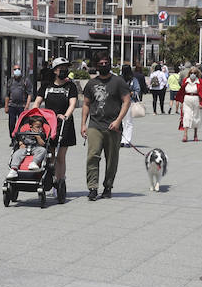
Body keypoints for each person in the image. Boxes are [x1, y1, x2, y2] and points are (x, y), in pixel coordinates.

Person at [28, 57, 79, 203]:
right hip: (48, 124)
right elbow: (37, 102)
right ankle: (49, 177)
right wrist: (35, 114)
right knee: (49, 155)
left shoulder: (71, 86)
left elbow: (72, 104)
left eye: (65, 68)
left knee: (60, 156)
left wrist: (65, 116)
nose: (64, 70)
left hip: (64, 124)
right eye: (61, 68)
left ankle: (60, 181)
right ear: (55, 70)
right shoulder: (46, 86)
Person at [81, 55, 131, 199]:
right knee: (92, 156)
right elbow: (86, 104)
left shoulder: (118, 82)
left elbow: (126, 101)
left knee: (112, 159)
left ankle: (108, 186)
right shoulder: (91, 83)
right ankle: (92, 187)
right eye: (100, 63)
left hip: (113, 127)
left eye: (106, 63)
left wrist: (118, 120)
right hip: (95, 125)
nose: (103, 65)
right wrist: (83, 124)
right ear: (96, 66)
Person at [6, 114, 49, 178]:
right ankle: (13, 169)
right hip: (25, 147)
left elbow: (43, 144)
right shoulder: (25, 132)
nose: (40, 129)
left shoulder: (42, 134)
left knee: (43, 150)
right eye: (37, 127)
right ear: (31, 126)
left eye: (41, 127)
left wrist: (38, 137)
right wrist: (21, 143)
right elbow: (20, 139)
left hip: (36, 147)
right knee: (17, 153)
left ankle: (34, 163)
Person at [178, 66, 202, 142]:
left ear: (197, 74)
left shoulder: (199, 81)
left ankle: (195, 134)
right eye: (191, 73)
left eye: (194, 73)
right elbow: (182, 91)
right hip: (187, 99)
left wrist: (201, 103)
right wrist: (181, 102)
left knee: (195, 117)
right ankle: (185, 135)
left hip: (196, 99)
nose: (192, 74)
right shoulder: (185, 80)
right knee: (186, 116)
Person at [4, 63, 30, 136]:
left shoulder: (25, 81)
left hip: (22, 106)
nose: (17, 71)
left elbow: (29, 94)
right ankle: (13, 139)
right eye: (15, 69)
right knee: (11, 123)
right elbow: (7, 95)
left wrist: (27, 105)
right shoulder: (10, 81)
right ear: (13, 71)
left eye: (18, 69)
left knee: (22, 123)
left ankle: (21, 138)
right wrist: (6, 106)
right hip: (12, 105)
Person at [119, 64, 142, 147]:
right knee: (124, 122)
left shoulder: (132, 80)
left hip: (129, 102)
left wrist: (130, 93)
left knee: (126, 121)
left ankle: (126, 140)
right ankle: (122, 139)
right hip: (121, 102)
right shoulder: (120, 79)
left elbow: (137, 90)